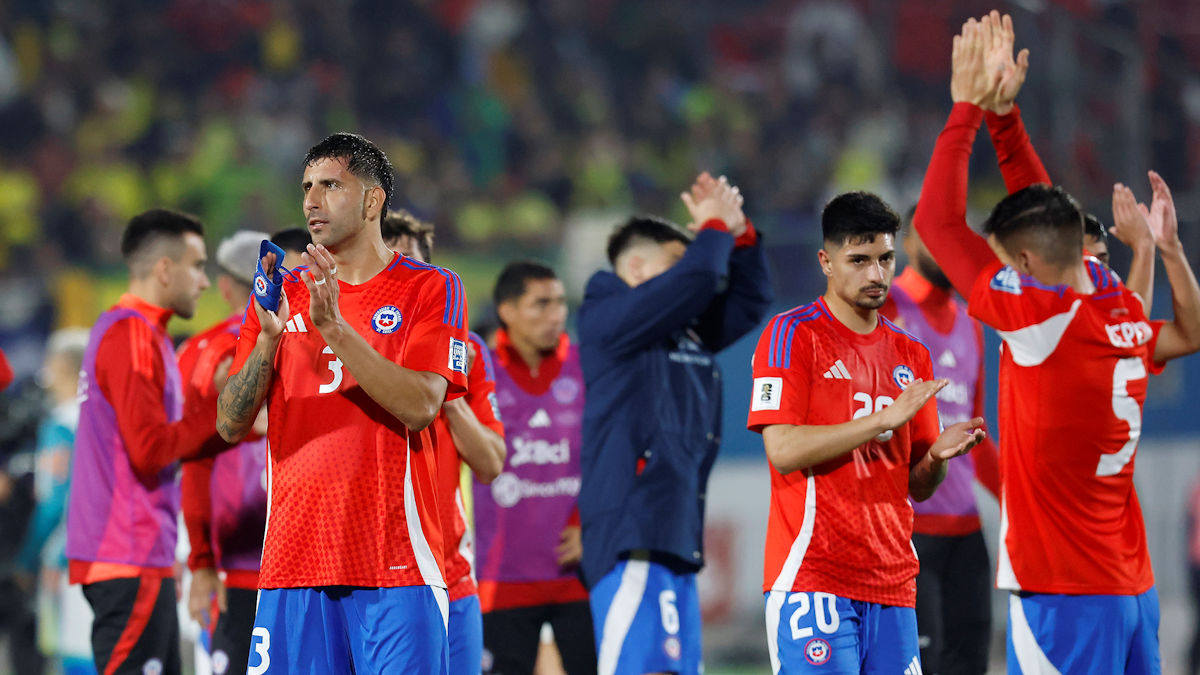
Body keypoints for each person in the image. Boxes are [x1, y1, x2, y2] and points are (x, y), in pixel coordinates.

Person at [915, 13, 1200, 673]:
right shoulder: (1116, 308)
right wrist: (1007, 120)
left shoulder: (1040, 319)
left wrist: (966, 109)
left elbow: (935, 221)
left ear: (1021, 259)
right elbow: (1052, 220)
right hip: (1132, 586)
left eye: (1006, 260)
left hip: (1065, 593)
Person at [216, 132, 469, 674]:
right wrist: (265, 338)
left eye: (331, 185)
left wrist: (334, 327)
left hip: (395, 565)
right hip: (291, 565)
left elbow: (423, 404)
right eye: (307, 186)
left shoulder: (430, 288)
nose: (311, 200)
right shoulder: (283, 295)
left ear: (373, 201)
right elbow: (230, 424)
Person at [747, 191, 986, 675]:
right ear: (826, 261)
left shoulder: (912, 354)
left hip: (894, 582)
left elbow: (917, 486)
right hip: (815, 577)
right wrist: (880, 421)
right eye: (858, 260)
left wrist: (936, 458)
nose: (876, 275)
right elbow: (783, 449)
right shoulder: (791, 335)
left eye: (885, 259)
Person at [579, 172, 772, 675]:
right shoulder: (606, 313)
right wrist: (713, 227)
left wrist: (740, 232)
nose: (692, 277)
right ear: (638, 269)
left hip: (673, 535)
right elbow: (703, 277)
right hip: (631, 536)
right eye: (676, 263)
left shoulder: (686, 331)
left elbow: (750, 299)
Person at [65, 208, 219, 675]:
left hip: (136, 553)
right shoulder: (132, 334)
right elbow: (149, 449)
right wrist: (226, 417)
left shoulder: (133, 331)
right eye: (197, 266)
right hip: (126, 552)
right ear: (164, 269)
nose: (205, 282)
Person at [385, 209, 507, 675]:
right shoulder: (350, 347)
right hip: (376, 577)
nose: (404, 280)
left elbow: (492, 464)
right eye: (391, 265)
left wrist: (448, 389)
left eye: (413, 266)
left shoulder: (468, 351)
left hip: (449, 572)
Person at [879, 210, 1000, 675]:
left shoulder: (971, 322)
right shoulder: (885, 311)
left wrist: (1022, 503)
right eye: (938, 241)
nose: (950, 255)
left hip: (967, 533)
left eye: (957, 244)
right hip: (910, 530)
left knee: (970, 664)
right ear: (909, 245)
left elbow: (976, 434)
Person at [472, 261, 595, 675]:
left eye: (560, 303)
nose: (556, 314)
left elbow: (619, 453)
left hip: (580, 578)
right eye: (541, 304)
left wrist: (590, 521)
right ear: (506, 310)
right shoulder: (477, 370)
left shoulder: (589, 366)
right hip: (500, 578)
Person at [178, 230, 271, 675]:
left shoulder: (202, 349)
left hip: (234, 566)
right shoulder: (319, 341)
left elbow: (195, 459)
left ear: (226, 287)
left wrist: (199, 561)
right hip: (306, 564)